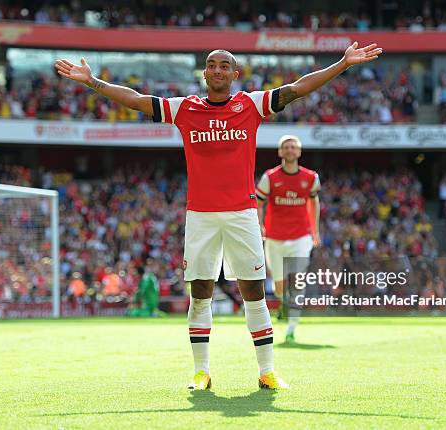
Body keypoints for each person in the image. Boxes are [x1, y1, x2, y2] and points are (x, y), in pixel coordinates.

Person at [54, 41, 382, 390]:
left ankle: (267, 371)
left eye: (224, 65)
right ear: (205, 73)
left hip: (242, 213)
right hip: (201, 215)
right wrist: (93, 83)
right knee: (201, 293)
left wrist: (342, 64)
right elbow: (136, 100)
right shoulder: (185, 109)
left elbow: (299, 88)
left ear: (234, 74)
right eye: (211, 65)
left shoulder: (251, 104)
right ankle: (202, 370)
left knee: (254, 292)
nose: (217, 70)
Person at [256, 135, 320, 343]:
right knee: (280, 286)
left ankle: (292, 328)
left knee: (298, 281)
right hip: (274, 237)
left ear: (299, 152)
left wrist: (315, 230)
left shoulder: (311, 178)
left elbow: (314, 203)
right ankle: (283, 302)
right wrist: (259, 226)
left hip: (302, 236)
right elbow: (259, 203)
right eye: (286, 147)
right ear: (280, 152)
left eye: (294, 147)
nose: (290, 150)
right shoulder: (270, 177)